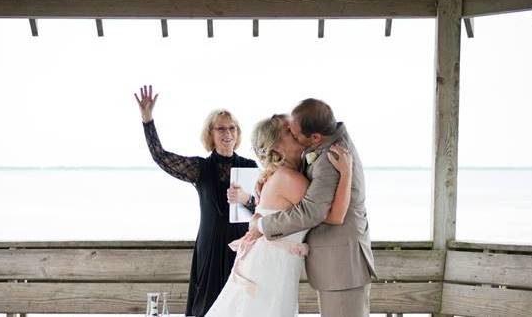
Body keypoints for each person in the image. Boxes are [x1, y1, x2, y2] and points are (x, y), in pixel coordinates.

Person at [205, 114, 354, 317]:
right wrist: (347, 173)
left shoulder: (279, 175)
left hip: (272, 263)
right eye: (288, 131)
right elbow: (335, 216)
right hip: (270, 267)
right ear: (276, 147)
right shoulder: (288, 178)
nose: (296, 132)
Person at [134, 85, 257, 317]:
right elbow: (161, 157)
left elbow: (263, 210)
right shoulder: (200, 168)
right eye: (221, 128)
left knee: (240, 306)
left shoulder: (249, 166)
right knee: (207, 306)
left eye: (232, 128)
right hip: (209, 246)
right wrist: (147, 120)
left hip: (241, 246)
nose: (227, 133)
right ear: (210, 133)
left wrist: (245, 199)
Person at [247, 99, 377, 317]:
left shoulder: (330, 156)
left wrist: (261, 224)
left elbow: (315, 212)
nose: (295, 136)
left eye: (294, 132)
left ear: (315, 137)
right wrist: (269, 175)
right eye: (290, 132)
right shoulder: (320, 147)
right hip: (335, 266)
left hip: (342, 267)